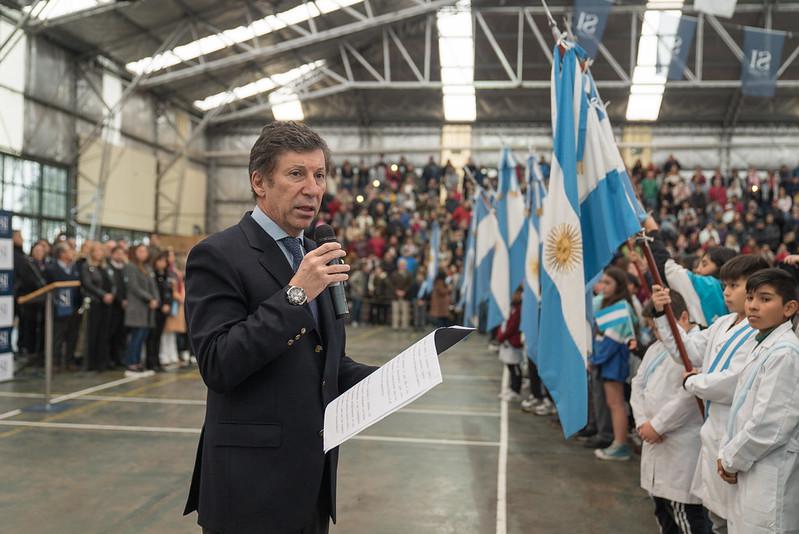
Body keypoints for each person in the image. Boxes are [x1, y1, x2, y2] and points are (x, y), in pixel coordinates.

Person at [183, 121, 377, 534]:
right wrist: (295, 294)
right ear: (259, 182)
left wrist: (391, 378)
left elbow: (324, 361)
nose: (313, 188)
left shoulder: (313, 255)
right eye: (296, 174)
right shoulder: (218, 255)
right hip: (249, 491)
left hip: (311, 487)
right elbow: (219, 364)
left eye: (319, 174)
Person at [652, 254, 769, 533]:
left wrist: (694, 383)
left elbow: (734, 382)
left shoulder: (760, 333)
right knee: (716, 517)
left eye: (734, 286)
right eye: (725, 285)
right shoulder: (723, 323)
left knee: (733, 520)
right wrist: (662, 314)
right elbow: (688, 350)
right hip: (713, 431)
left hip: (735, 433)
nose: (726, 292)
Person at [716, 268, 799, 534]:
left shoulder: (785, 353)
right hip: (751, 469)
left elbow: (769, 426)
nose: (753, 305)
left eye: (765, 299)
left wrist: (730, 459)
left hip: (768, 472)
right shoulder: (764, 343)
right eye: (751, 297)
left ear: (789, 308)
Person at [631, 294, 711, 534]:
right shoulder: (656, 348)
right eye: (654, 329)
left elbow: (689, 395)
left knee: (687, 519)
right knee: (663, 515)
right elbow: (638, 383)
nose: (658, 334)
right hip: (652, 439)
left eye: (661, 327)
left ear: (683, 318)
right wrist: (642, 422)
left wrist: (659, 425)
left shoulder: (698, 347)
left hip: (681, 443)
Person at [591, 266, 637, 461]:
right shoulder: (607, 303)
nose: (603, 286)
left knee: (616, 403)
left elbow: (612, 340)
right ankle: (617, 442)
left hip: (615, 361)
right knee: (613, 403)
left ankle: (620, 444)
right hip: (608, 360)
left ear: (619, 286)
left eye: (608, 283)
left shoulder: (622, 307)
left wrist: (594, 360)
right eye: (603, 282)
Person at [44, 242, 81, 370]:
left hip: (74, 306)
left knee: (72, 335)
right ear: (62, 254)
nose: (72, 253)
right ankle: (55, 361)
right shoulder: (51, 269)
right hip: (58, 307)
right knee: (58, 335)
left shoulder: (75, 267)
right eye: (69, 251)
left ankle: (69, 361)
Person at [124, 244, 158, 375]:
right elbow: (134, 287)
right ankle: (131, 364)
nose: (143, 253)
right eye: (140, 251)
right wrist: (150, 298)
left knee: (143, 336)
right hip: (137, 307)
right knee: (136, 337)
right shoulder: (131, 267)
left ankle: (138, 363)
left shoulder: (148, 267)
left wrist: (156, 299)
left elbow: (153, 285)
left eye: (145, 251)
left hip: (148, 308)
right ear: (135, 252)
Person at [80, 242, 114, 372]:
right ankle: (90, 363)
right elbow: (88, 284)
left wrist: (112, 295)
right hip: (94, 303)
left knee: (103, 334)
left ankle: (102, 362)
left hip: (107, 304)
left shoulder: (106, 267)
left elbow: (113, 283)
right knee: (92, 333)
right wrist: (103, 295)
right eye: (96, 251)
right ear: (92, 253)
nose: (99, 253)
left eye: (101, 251)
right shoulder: (86, 267)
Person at [146, 251, 172, 372]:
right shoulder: (153, 275)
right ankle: (150, 361)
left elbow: (169, 292)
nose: (163, 263)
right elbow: (155, 292)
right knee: (152, 336)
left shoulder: (166, 275)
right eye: (160, 260)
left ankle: (157, 361)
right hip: (156, 309)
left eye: (164, 261)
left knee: (158, 337)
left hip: (164, 309)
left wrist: (168, 304)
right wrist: (161, 304)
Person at [496, 287, 524, 402]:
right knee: (510, 366)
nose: (513, 296)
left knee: (515, 367)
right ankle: (512, 388)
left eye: (516, 293)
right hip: (508, 341)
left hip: (515, 342)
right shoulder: (513, 307)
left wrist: (502, 336)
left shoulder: (519, 309)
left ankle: (516, 390)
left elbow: (513, 327)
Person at [107, 245, 128, 368]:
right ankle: (110, 359)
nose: (120, 256)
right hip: (113, 306)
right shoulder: (109, 268)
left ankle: (119, 358)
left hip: (124, 307)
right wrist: (120, 300)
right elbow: (113, 287)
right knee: (111, 333)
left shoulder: (125, 268)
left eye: (122, 253)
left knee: (122, 334)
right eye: (117, 253)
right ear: (112, 254)